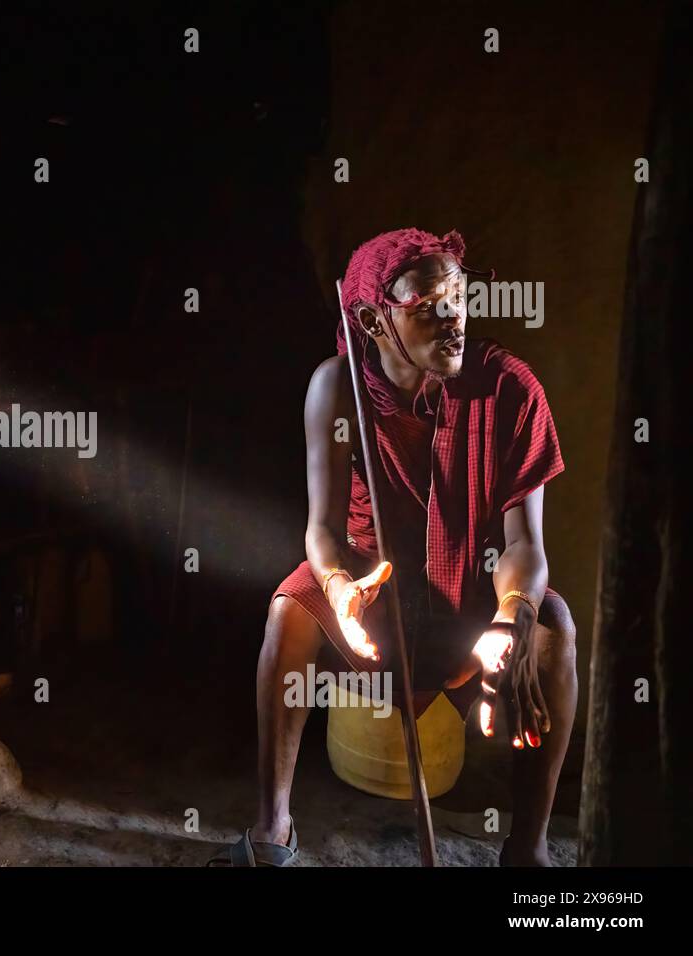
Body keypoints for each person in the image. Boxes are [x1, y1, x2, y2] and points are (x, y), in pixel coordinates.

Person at [210, 228, 575, 867]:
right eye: (428, 303)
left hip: (472, 594)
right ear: (374, 320)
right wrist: (335, 585)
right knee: (288, 611)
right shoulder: (337, 387)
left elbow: (526, 546)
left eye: (459, 297)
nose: (453, 318)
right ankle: (273, 831)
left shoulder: (509, 389)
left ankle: (529, 849)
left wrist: (511, 613)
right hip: (371, 590)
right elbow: (322, 529)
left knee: (553, 628)